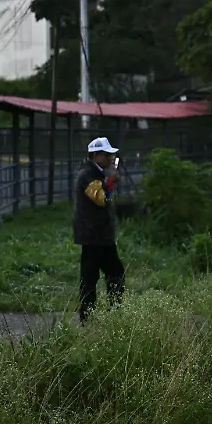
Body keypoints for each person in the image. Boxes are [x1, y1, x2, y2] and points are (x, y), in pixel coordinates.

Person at [73, 137, 125, 323]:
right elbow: (102, 200)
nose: (111, 157)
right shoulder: (87, 175)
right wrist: (110, 182)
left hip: (101, 236)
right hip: (93, 236)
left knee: (114, 274)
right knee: (92, 278)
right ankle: (89, 317)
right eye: (107, 154)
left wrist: (108, 180)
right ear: (96, 155)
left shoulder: (96, 173)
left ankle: (111, 312)